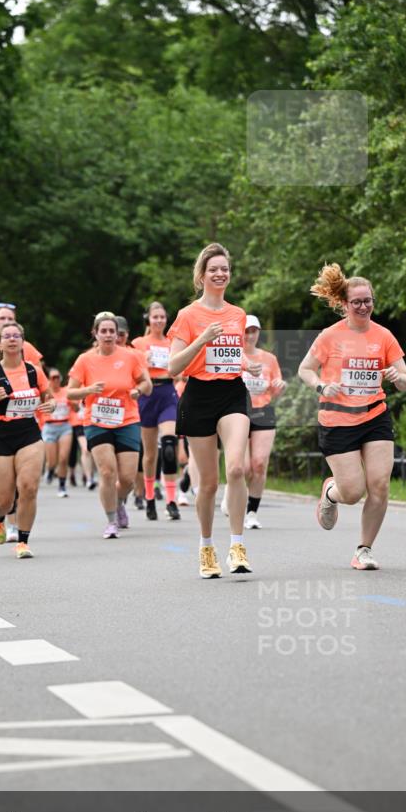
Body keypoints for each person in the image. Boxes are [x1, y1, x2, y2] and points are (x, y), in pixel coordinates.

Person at [298, 263, 406, 570]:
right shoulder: (330, 336)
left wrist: (396, 377)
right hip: (338, 420)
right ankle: (331, 492)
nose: (363, 307)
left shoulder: (384, 336)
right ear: (345, 304)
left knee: (380, 485)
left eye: (367, 301)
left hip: (375, 416)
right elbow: (305, 369)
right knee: (352, 492)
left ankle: (364, 550)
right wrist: (322, 386)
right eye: (357, 302)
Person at [168, 243, 252, 578]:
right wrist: (201, 339)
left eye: (224, 269)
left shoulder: (238, 314)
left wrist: (248, 364)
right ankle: (206, 547)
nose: (220, 274)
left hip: (232, 393)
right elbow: (173, 366)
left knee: (236, 469)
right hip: (199, 396)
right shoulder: (187, 315)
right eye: (213, 269)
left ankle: (237, 546)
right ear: (201, 275)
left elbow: (232, 354)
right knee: (208, 483)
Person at [0, 321, 53, 559]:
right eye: (6, 336)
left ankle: (23, 541)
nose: (12, 339)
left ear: (23, 341)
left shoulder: (33, 371)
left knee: (28, 487)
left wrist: (52, 404)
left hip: (28, 431)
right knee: (4, 500)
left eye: (17, 335)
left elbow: (48, 395)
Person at [67, 313, 152, 538]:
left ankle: (119, 501)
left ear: (117, 334)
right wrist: (88, 390)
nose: (107, 335)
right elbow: (70, 392)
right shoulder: (85, 360)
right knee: (107, 472)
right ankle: (111, 521)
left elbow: (147, 384)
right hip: (97, 421)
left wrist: (138, 390)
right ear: (95, 334)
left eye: (111, 331)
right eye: (103, 331)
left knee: (127, 478)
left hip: (127, 420)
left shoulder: (130, 357)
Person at [221, 315, 287, 529]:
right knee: (243, 467)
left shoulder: (269, 358)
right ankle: (231, 491)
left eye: (254, 331)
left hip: (263, 411)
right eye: (246, 331)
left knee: (259, 464)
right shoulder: (233, 355)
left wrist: (279, 386)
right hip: (238, 412)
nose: (250, 335)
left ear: (259, 333)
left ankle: (251, 512)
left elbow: (275, 389)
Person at [131, 302, 181, 521]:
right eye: (155, 317)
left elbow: (180, 369)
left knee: (169, 445)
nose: (159, 320)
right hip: (147, 394)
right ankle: (149, 497)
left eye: (162, 317)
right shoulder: (138, 343)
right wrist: (144, 363)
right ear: (148, 319)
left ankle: (171, 501)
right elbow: (131, 371)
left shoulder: (172, 342)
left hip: (168, 392)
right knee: (150, 454)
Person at [40, 368, 74, 498]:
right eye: (53, 378)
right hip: (49, 427)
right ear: (48, 380)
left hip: (65, 426)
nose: (56, 380)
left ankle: (62, 486)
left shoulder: (66, 392)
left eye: (57, 377)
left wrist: (75, 404)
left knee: (64, 458)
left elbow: (76, 408)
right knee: (52, 461)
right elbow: (38, 409)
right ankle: (50, 470)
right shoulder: (46, 393)